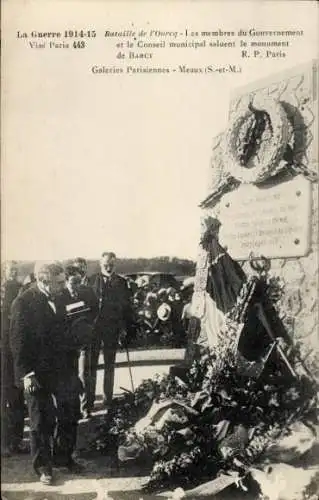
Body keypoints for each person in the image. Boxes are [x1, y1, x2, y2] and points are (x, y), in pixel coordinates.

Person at [10, 261, 83, 485]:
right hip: (36, 371)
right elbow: (17, 342)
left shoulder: (63, 297)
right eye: (59, 282)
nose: (64, 286)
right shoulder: (23, 302)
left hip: (62, 369)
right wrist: (26, 374)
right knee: (40, 420)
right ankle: (44, 467)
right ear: (43, 281)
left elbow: (71, 329)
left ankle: (64, 457)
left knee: (71, 412)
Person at [90, 252, 133, 409]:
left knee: (110, 364)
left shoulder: (121, 282)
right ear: (100, 264)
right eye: (105, 264)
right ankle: (89, 402)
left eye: (111, 265)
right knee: (91, 366)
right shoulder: (92, 280)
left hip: (112, 328)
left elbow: (126, 308)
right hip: (94, 329)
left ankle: (108, 400)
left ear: (115, 264)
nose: (108, 267)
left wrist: (124, 329)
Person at [62, 263, 98, 419]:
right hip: (67, 342)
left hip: (84, 339)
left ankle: (86, 407)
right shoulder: (60, 296)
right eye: (72, 283)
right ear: (65, 282)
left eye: (78, 282)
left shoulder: (87, 292)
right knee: (69, 375)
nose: (75, 286)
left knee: (84, 374)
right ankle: (72, 408)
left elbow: (95, 310)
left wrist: (88, 325)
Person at [1, 260, 25, 456]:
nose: (13, 273)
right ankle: (5, 442)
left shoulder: (21, 291)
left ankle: (15, 441)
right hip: (3, 351)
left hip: (15, 350)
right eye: (10, 270)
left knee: (17, 397)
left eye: (15, 271)